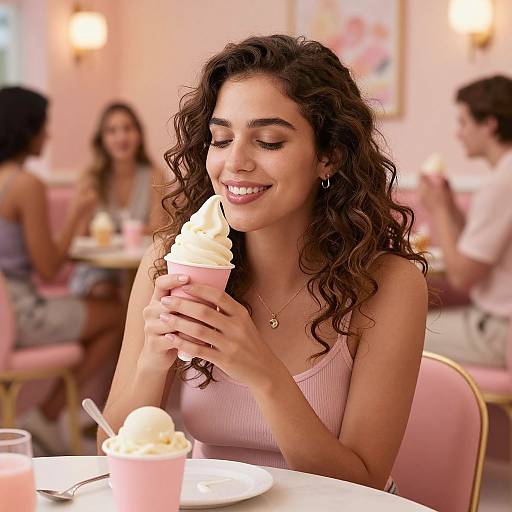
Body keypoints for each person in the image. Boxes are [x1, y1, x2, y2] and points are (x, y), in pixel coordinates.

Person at [100, 35, 427, 492]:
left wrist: (263, 373)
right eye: (221, 138)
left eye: (269, 141)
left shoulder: (389, 285)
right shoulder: (166, 262)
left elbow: (363, 483)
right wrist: (153, 363)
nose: (234, 162)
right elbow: (106, 449)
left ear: (328, 156)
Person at [0, 86, 124, 453]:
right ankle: (49, 411)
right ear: (26, 130)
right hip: (22, 314)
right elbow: (50, 268)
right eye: (43, 126)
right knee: (117, 314)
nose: (47, 135)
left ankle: (49, 412)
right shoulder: (25, 185)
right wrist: (76, 214)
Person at [419, 75, 512, 368]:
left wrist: (438, 210)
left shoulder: (502, 184)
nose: (459, 134)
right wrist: (449, 205)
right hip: (497, 326)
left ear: (489, 124)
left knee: (389, 335)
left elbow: (462, 276)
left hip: (499, 331)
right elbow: (475, 252)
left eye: (464, 122)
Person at [70, 102, 164, 299]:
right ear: (102, 139)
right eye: (112, 131)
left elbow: (158, 228)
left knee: (147, 293)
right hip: (98, 268)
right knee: (105, 292)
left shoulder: (154, 175)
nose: (121, 137)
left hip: (140, 265)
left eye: (128, 128)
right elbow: (80, 236)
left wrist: (110, 233)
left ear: (139, 135)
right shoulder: (89, 178)